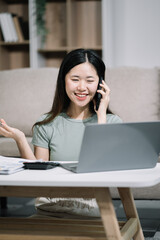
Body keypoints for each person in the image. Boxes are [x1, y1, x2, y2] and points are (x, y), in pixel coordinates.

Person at [0, 48, 122, 218]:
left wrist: (101, 115)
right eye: (75, 79)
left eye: (89, 80)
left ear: (101, 83)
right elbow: (38, 176)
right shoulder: (47, 123)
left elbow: (103, 169)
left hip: (91, 208)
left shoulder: (112, 122)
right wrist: (20, 139)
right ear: (63, 80)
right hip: (50, 206)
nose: (82, 87)